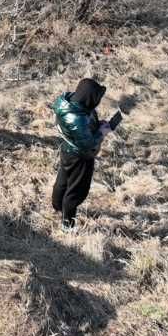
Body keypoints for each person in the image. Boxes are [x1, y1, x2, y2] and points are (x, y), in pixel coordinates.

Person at [49, 76, 118, 229]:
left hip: (68, 150)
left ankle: (57, 206)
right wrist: (102, 133)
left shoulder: (74, 105)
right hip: (80, 156)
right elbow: (87, 143)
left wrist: (99, 125)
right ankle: (67, 225)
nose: (96, 102)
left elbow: (83, 130)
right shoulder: (75, 118)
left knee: (64, 180)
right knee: (76, 191)